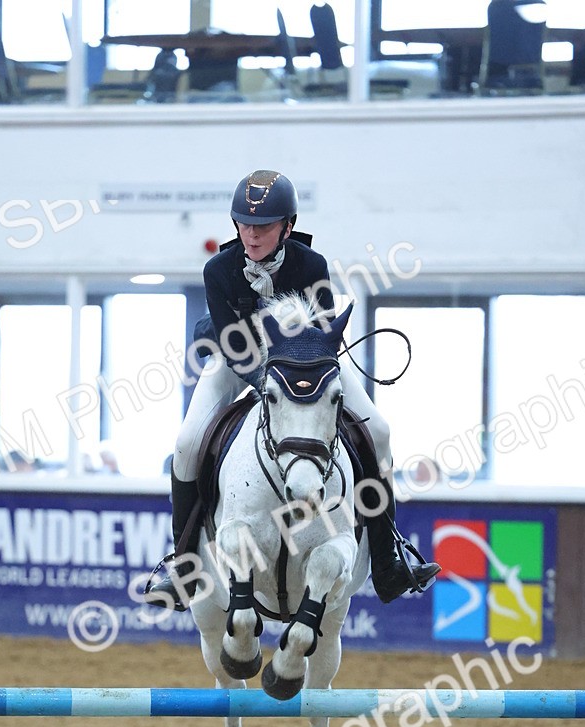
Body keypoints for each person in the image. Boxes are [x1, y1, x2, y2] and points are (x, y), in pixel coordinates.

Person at [146, 168, 439, 609]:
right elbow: (236, 346)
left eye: (262, 225)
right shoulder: (219, 270)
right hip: (238, 359)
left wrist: (301, 382)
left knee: (378, 429)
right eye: (244, 223)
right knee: (187, 442)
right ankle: (184, 567)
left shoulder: (311, 265)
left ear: (287, 226)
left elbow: (324, 335)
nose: (251, 233)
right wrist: (270, 385)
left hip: (308, 363)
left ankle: (387, 557)